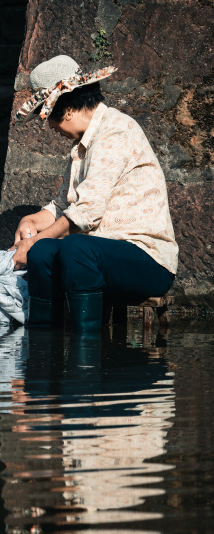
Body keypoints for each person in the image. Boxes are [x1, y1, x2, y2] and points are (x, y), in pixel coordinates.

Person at [9, 55, 178, 332]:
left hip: (146, 260)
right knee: (44, 254)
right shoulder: (81, 147)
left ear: (68, 110)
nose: (52, 128)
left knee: (74, 248)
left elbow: (85, 213)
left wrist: (34, 241)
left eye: (51, 119)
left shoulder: (115, 132)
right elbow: (63, 205)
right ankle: (39, 358)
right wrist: (30, 222)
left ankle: (84, 355)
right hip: (96, 255)